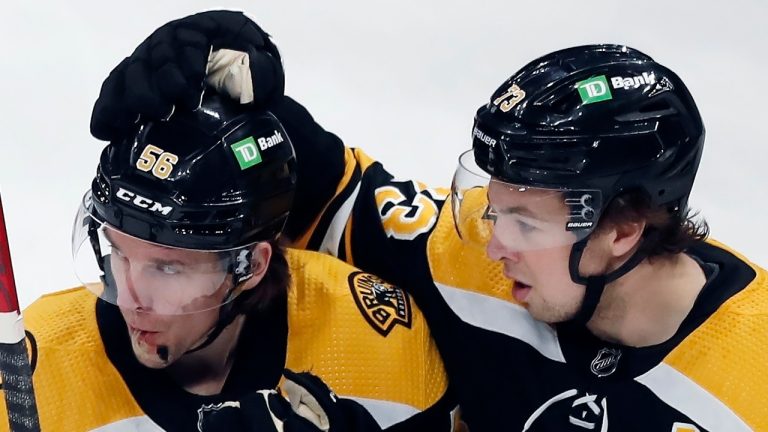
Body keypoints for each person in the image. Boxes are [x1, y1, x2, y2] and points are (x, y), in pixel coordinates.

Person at [91, 11, 768, 432]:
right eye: (492, 204)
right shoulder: (472, 254)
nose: (492, 243)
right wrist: (223, 78)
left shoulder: (753, 383)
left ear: (624, 228)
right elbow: (328, 195)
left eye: (526, 224)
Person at [0, 29, 457, 430]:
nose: (130, 295)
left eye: (168, 269)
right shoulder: (33, 367)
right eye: (119, 253)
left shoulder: (379, 347)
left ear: (251, 266)